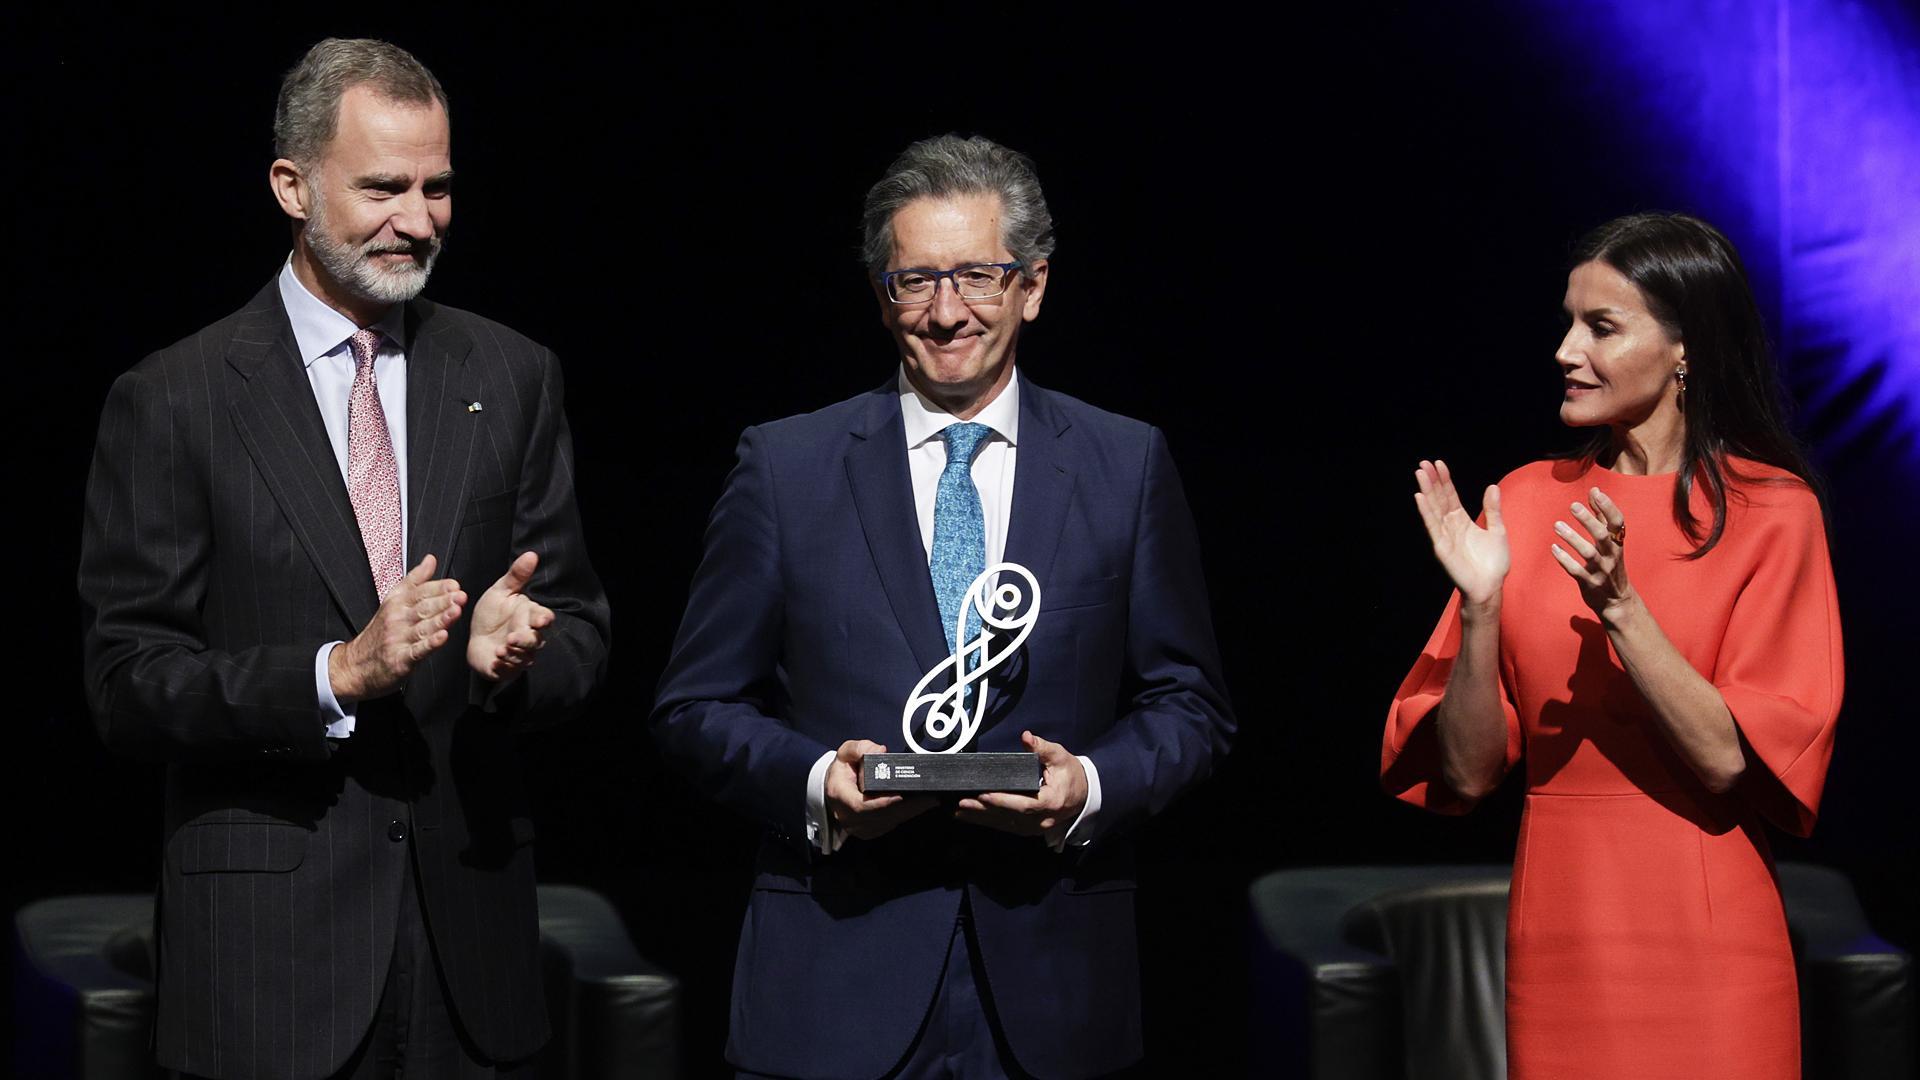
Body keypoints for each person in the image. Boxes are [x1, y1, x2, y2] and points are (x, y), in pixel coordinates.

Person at [78, 38, 610, 1080]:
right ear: (291, 184)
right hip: (267, 971)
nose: (418, 220)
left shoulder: (510, 375)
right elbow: (124, 684)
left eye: (438, 186)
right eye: (383, 187)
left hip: (474, 958)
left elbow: (583, 627)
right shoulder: (175, 398)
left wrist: (520, 659)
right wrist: (334, 675)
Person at [651, 133, 1235, 1079]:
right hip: (835, 984)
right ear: (883, 297)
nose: (946, 312)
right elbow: (693, 709)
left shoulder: (1124, 464)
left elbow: (1191, 706)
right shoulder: (785, 468)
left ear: (1033, 286)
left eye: (977, 276)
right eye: (915, 282)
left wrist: (1088, 786)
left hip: (1055, 989)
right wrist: (816, 786)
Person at [1383, 213, 1842, 1079]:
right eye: (1567, 321)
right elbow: (1471, 773)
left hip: (1713, 944)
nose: (1565, 349)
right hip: (1562, 937)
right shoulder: (1523, 499)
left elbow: (1725, 762)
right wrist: (1480, 608)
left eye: (1601, 327)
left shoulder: (1773, 513)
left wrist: (1623, 608)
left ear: (1685, 351)